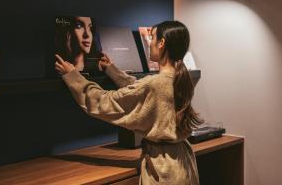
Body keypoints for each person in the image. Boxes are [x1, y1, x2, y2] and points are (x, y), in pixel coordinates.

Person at [55, 20, 203, 185]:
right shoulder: (182, 79)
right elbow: (140, 90)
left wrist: (73, 77)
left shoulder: (154, 84)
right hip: (183, 163)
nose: (150, 43)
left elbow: (104, 102)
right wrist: (112, 69)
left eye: (152, 37)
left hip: (163, 171)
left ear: (161, 43)